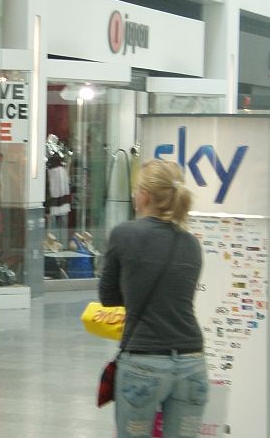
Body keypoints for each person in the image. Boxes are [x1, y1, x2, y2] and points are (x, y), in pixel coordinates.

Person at [99, 159, 208, 438]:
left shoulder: (124, 234)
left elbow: (109, 298)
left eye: (136, 189)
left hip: (143, 363)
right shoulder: (191, 243)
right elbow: (177, 298)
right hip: (192, 362)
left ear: (145, 195)